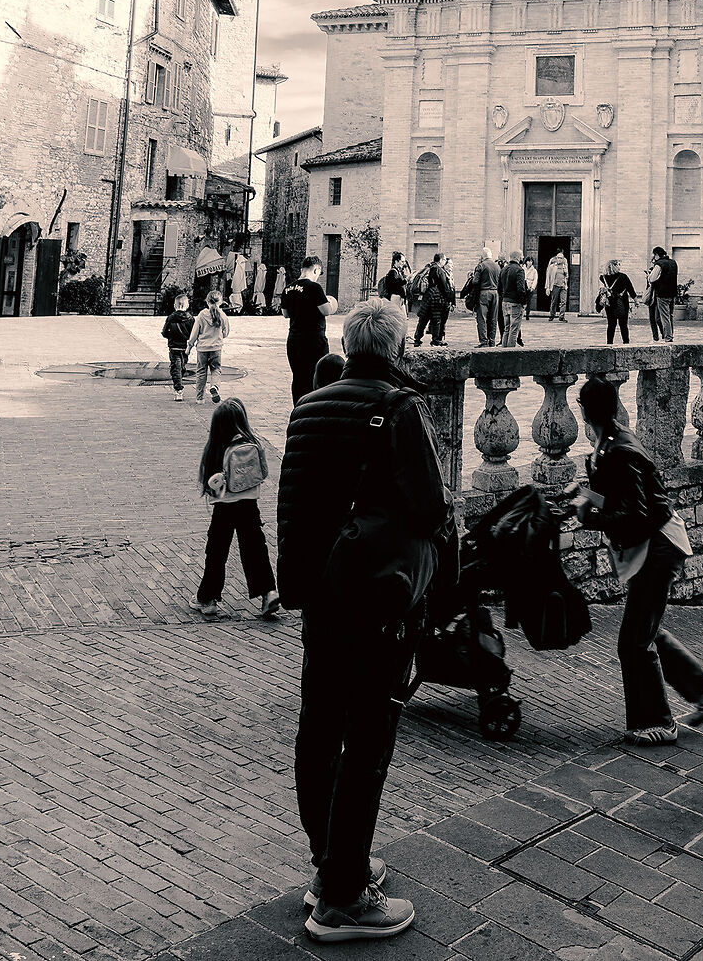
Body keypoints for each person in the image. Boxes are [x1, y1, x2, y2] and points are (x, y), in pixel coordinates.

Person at [277, 300, 448, 941]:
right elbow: (430, 505)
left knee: (319, 727)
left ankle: (330, 865)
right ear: (396, 348)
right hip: (376, 598)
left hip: (322, 594)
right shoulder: (400, 408)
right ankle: (345, 897)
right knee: (369, 737)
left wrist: (293, 585)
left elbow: (291, 504)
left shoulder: (308, 406)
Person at [552, 377, 703, 747]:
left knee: (632, 642)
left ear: (583, 410)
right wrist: (581, 494)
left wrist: (589, 517)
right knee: (645, 629)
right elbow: (618, 496)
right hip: (651, 546)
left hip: (657, 547)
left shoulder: (619, 449)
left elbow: (636, 515)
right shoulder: (610, 442)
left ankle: (658, 722)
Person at [196, 398, 279, 620]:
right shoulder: (253, 443)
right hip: (250, 504)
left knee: (216, 551)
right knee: (255, 549)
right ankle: (268, 592)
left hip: (224, 507)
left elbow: (210, 484)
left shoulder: (216, 448)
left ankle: (209, 598)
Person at [280, 256, 337, 402]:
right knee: (317, 376)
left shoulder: (288, 289)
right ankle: (313, 408)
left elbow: (285, 314)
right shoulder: (314, 287)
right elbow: (326, 310)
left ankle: (298, 408)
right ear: (316, 269)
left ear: (301, 270)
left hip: (294, 339)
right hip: (313, 340)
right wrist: (331, 302)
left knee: (298, 377)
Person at [188, 296, 231, 403]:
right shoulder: (222, 315)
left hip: (202, 348)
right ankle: (214, 386)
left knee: (201, 371)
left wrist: (190, 345)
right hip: (216, 348)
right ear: (220, 302)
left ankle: (200, 398)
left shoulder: (202, 315)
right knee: (216, 369)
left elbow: (195, 332)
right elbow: (226, 332)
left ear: (207, 302)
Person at [161, 293, 196, 402]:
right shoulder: (190, 319)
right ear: (187, 305)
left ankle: (178, 389)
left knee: (175, 368)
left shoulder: (170, 318)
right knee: (181, 366)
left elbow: (165, 332)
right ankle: (179, 384)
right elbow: (193, 333)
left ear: (175, 306)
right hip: (185, 348)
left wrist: (170, 336)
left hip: (174, 347)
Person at [414, 254, 451, 347]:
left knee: (423, 319)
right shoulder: (440, 270)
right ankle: (435, 340)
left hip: (428, 296)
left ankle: (417, 339)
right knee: (436, 319)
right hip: (436, 297)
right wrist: (448, 298)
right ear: (441, 260)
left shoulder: (429, 267)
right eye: (445, 260)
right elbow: (444, 286)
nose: (445, 262)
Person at [599, 260, 638, 344]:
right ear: (614, 266)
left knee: (611, 324)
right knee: (623, 324)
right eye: (618, 265)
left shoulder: (603, 277)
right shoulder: (623, 277)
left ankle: (609, 342)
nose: (620, 266)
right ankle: (626, 342)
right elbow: (631, 289)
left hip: (610, 303)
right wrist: (636, 301)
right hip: (622, 302)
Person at [467, 254, 500, 347]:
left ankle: (484, 341)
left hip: (484, 293)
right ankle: (492, 341)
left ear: (483, 256)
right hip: (495, 293)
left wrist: (472, 277)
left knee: (482, 318)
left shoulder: (481, 265)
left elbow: (475, 281)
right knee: (493, 318)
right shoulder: (497, 266)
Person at [647, 248, 680, 342]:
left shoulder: (659, 264)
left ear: (656, 255)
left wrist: (649, 275)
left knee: (664, 317)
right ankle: (669, 334)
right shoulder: (673, 262)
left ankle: (668, 337)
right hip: (672, 293)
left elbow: (652, 279)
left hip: (662, 294)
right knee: (668, 316)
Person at [500, 255, 530, 347]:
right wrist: (524, 302)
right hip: (515, 303)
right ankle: (510, 354)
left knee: (506, 329)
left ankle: (503, 351)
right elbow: (521, 289)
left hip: (505, 301)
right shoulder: (519, 270)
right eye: (521, 256)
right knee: (514, 330)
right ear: (517, 257)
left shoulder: (504, 269)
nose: (523, 258)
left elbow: (499, 287)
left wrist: (504, 297)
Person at [545, 249, 569, 321]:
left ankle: (561, 316)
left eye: (561, 258)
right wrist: (547, 287)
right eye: (558, 258)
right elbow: (548, 277)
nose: (559, 259)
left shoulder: (565, 266)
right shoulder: (552, 266)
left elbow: (567, 276)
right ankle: (552, 315)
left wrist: (566, 273)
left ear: (563, 259)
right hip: (555, 285)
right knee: (554, 301)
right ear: (556, 258)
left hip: (563, 286)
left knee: (563, 301)